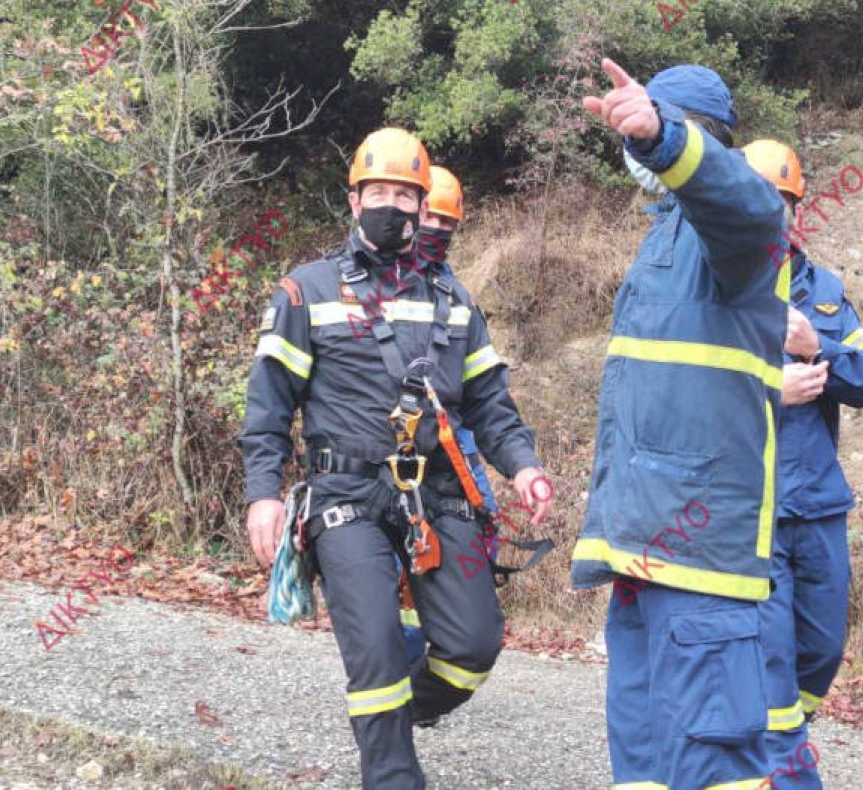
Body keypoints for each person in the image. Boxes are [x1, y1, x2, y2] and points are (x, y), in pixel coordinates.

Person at [240, 127, 551, 789]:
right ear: (354, 201)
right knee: (376, 648)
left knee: (472, 647)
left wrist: (523, 465)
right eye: (376, 191)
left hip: (437, 497)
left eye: (404, 195)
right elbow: (268, 406)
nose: (390, 205)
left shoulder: (456, 300)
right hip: (345, 497)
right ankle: (391, 773)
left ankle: (390, 716)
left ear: (421, 205)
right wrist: (263, 492)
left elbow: (490, 403)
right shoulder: (307, 292)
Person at [569, 59, 805, 789]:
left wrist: (663, 138)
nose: (632, 145)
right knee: (641, 769)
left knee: (709, 770)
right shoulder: (660, 241)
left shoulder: (736, 240)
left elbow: (752, 207)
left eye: (663, 123)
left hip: (701, 558)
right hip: (639, 555)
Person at [743, 140, 863, 726]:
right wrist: (768, 387)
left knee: (821, 651)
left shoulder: (824, 291)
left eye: (785, 202)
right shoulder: (721, 291)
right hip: (756, 506)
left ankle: (784, 733)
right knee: (770, 650)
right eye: (761, 200)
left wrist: (815, 348)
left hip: (820, 505)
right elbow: (689, 393)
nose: (775, 213)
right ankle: (777, 755)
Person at [400, 164, 499, 667]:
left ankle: (428, 663)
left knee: (473, 539)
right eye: (431, 219)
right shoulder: (375, 285)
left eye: (448, 224)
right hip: (395, 452)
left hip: (452, 448)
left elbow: (483, 394)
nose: (438, 230)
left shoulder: (455, 296)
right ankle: (401, 667)